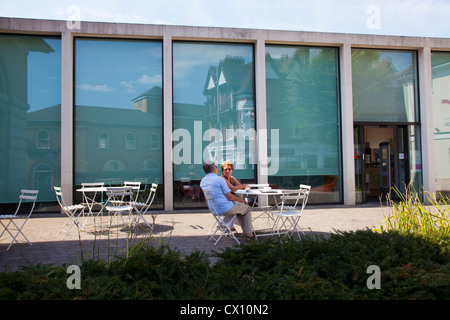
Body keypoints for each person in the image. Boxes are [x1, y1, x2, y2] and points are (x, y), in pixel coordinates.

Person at [200, 161, 255, 240]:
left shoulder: (203, 181)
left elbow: (207, 198)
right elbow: (230, 197)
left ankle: (246, 232)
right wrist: (241, 200)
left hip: (214, 209)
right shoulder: (219, 179)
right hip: (225, 208)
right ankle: (249, 234)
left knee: (240, 208)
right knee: (247, 208)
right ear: (214, 168)